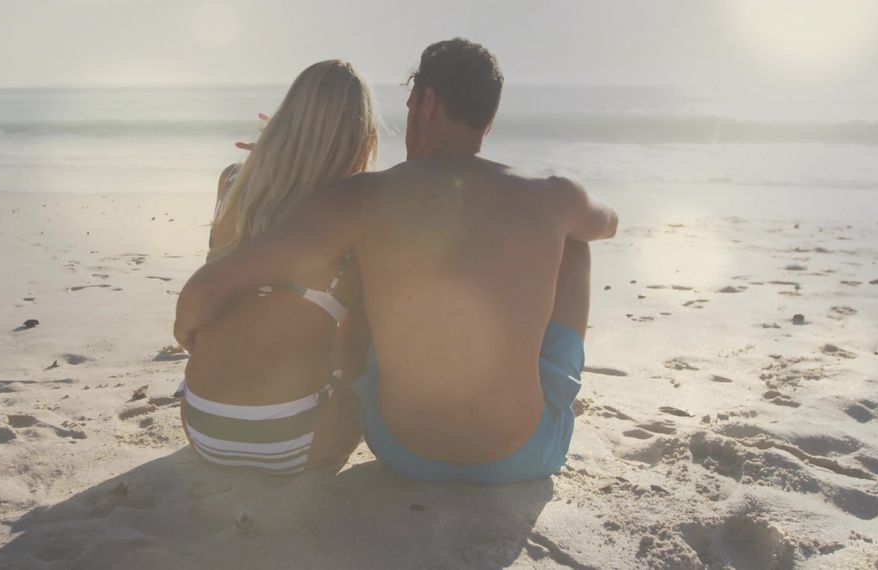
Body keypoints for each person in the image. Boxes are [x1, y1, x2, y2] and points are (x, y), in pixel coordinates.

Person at [175, 38, 618, 484]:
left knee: (381, 250)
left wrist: (285, 156)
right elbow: (610, 222)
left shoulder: (364, 196)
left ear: (427, 102)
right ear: (489, 117)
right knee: (575, 241)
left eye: (409, 106)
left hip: (401, 448)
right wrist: (558, 207)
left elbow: (216, 280)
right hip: (522, 456)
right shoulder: (553, 194)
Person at [178, 60, 378, 476]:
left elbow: (195, 321)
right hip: (296, 442)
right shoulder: (352, 211)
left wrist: (276, 159)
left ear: (285, 122)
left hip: (201, 426)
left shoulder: (233, 182)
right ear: (362, 139)